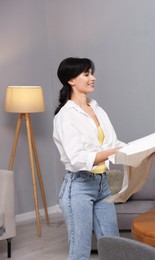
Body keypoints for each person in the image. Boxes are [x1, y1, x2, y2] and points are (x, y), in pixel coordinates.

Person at [53, 57, 126, 260]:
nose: (92, 78)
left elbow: (113, 143)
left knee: (113, 246)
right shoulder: (65, 116)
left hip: (103, 185)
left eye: (91, 73)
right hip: (78, 187)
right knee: (80, 251)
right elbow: (77, 159)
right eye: (86, 74)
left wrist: (143, 149)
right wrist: (115, 151)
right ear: (71, 80)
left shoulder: (98, 109)